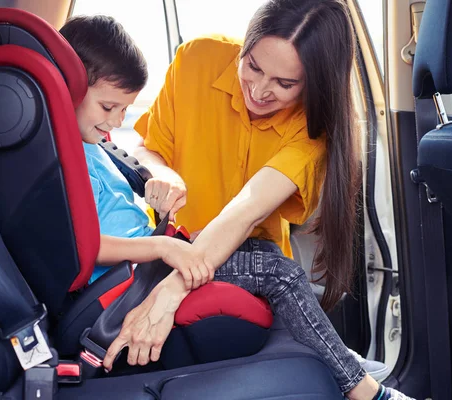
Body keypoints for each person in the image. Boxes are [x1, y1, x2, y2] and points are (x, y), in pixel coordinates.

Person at [100, 1, 414, 399]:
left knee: (274, 268)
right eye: (252, 66)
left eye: (285, 84)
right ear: (245, 46)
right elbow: (150, 148)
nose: (260, 90)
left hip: (243, 251)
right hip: (173, 239)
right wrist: (162, 172)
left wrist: (170, 291)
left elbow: (246, 212)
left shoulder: (311, 130)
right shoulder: (197, 57)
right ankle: (356, 375)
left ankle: (354, 376)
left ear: (314, 84)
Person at [60, 15, 193, 284]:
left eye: (125, 110)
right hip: (128, 281)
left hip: (148, 260)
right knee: (271, 270)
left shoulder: (95, 146)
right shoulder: (61, 162)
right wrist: (163, 248)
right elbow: (83, 246)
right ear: (68, 88)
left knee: (261, 250)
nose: (119, 121)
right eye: (108, 107)